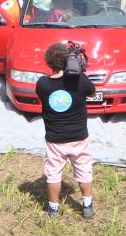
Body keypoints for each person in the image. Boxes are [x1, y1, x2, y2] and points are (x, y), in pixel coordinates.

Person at [36, 42, 96, 219]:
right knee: (84, 171)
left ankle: (53, 209)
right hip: (79, 137)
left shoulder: (42, 84)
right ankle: (87, 206)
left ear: (48, 62)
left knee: (53, 174)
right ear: (69, 60)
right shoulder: (80, 80)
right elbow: (92, 93)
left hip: (55, 139)